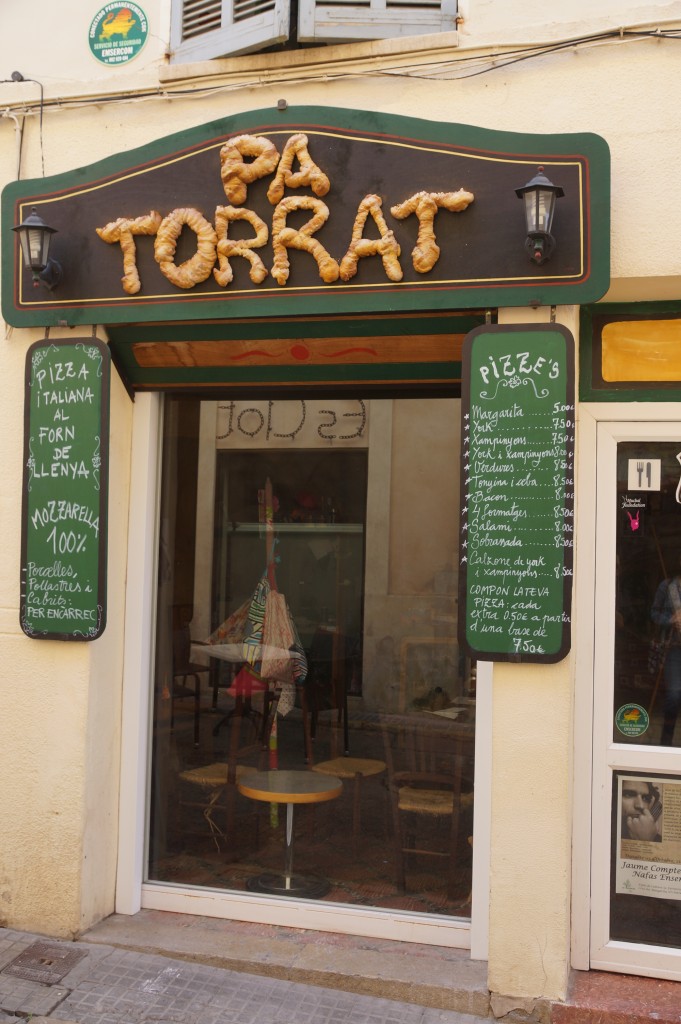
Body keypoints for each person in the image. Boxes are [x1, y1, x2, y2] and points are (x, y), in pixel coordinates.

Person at [651, 567, 681, 745]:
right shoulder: (668, 586)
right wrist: (671, 619)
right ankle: (666, 744)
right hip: (674, 649)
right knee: (674, 695)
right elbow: (654, 614)